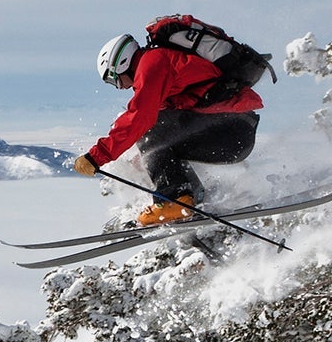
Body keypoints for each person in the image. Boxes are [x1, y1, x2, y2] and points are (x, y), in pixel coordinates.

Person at [72, 32, 263, 225]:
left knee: (151, 127)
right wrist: (145, 159)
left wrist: (96, 156)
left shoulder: (152, 64)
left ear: (122, 63)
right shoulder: (158, 66)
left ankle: (176, 200)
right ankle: (188, 196)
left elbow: (139, 118)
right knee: (156, 136)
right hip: (233, 131)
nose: (120, 87)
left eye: (114, 80)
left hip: (230, 130)